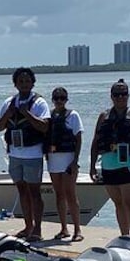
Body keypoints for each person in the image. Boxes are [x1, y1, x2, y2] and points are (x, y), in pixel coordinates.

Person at [89, 79, 130, 237]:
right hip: (109, 166)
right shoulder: (103, 116)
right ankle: (125, 236)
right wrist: (92, 166)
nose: (120, 98)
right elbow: (96, 142)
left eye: (123, 94)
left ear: (128, 95)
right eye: (117, 95)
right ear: (111, 96)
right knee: (118, 203)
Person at [0, 67, 50, 241]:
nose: (24, 84)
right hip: (15, 154)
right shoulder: (9, 102)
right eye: (21, 81)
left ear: (33, 83)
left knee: (35, 192)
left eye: (27, 81)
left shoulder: (39, 103)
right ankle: (28, 226)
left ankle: (38, 229)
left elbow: (45, 126)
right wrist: (9, 114)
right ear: (15, 84)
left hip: (33, 154)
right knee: (22, 191)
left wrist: (27, 113)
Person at [45, 86, 84, 242]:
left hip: (68, 158)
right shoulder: (49, 116)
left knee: (71, 194)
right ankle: (63, 228)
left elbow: (79, 137)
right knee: (59, 194)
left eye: (62, 98)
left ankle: (77, 229)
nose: (59, 101)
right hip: (53, 159)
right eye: (56, 98)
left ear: (66, 100)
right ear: (53, 100)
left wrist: (75, 161)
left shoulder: (73, 115)